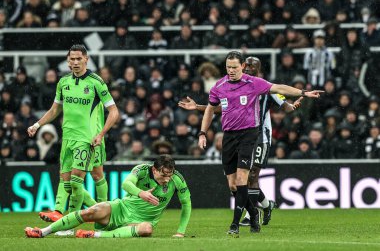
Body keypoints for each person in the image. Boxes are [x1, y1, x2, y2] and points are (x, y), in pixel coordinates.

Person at [197, 51, 323, 235]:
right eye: (228, 67)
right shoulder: (219, 86)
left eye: (234, 67)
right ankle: (254, 212)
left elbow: (279, 88)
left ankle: (234, 224)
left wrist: (303, 93)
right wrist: (202, 133)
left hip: (250, 135)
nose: (231, 70)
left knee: (245, 179)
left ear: (241, 67)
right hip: (229, 136)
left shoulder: (254, 83)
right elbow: (211, 109)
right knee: (233, 185)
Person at [179, 56, 302, 228]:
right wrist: (199, 107)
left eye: (254, 67)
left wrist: (295, 105)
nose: (250, 69)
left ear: (258, 70)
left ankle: (249, 216)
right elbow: (221, 108)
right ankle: (266, 205)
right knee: (239, 181)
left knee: (251, 176)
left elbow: (286, 107)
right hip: (238, 135)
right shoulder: (231, 86)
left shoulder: (264, 87)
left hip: (260, 137)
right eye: (248, 66)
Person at [27, 44, 119, 226]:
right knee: (66, 180)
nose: (75, 62)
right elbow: (55, 110)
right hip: (67, 138)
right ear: (68, 61)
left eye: (79, 58)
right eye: (72, 59)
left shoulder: (96, 82)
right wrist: (37, 124)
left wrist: (101, 134)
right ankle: (99, 215)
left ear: (86, 59)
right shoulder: (63, 82)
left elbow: (114, 111)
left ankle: (73, 217)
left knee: (86, 178)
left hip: (88, 139)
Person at [25, 154, 191, 238]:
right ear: (154, 170)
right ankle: (43, 232)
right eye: (164, 175)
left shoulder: (177, 180)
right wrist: (141, 193)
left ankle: (95, 235)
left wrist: (180, 232)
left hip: (139, 221)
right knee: (89, 212)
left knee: (147, 229)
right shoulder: (142, 170)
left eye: (170, 175)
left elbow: (186, 204)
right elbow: (125, 184)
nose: (167, 179)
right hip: (121, 209)